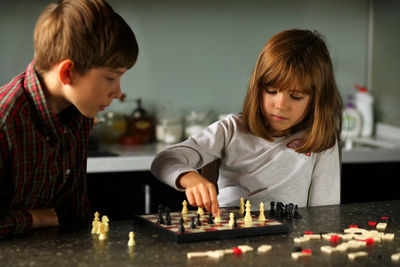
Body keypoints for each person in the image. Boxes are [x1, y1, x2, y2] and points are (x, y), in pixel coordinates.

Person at [151, 29, 343, 216]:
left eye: (296, 96)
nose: (280, 105)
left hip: (292, 242)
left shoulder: (322, 141)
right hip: (233, 238)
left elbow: (324, 216)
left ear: (316, 101)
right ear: (257, 88)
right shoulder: (230, 130)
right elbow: (163, 160)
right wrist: (189, 177)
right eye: (271, 91)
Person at [0, 0, 138, 238]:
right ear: (67, 72)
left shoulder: (79, 111)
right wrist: (33, 218)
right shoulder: (5, 121)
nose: (118, 92)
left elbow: (73, 208)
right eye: (110, 78)